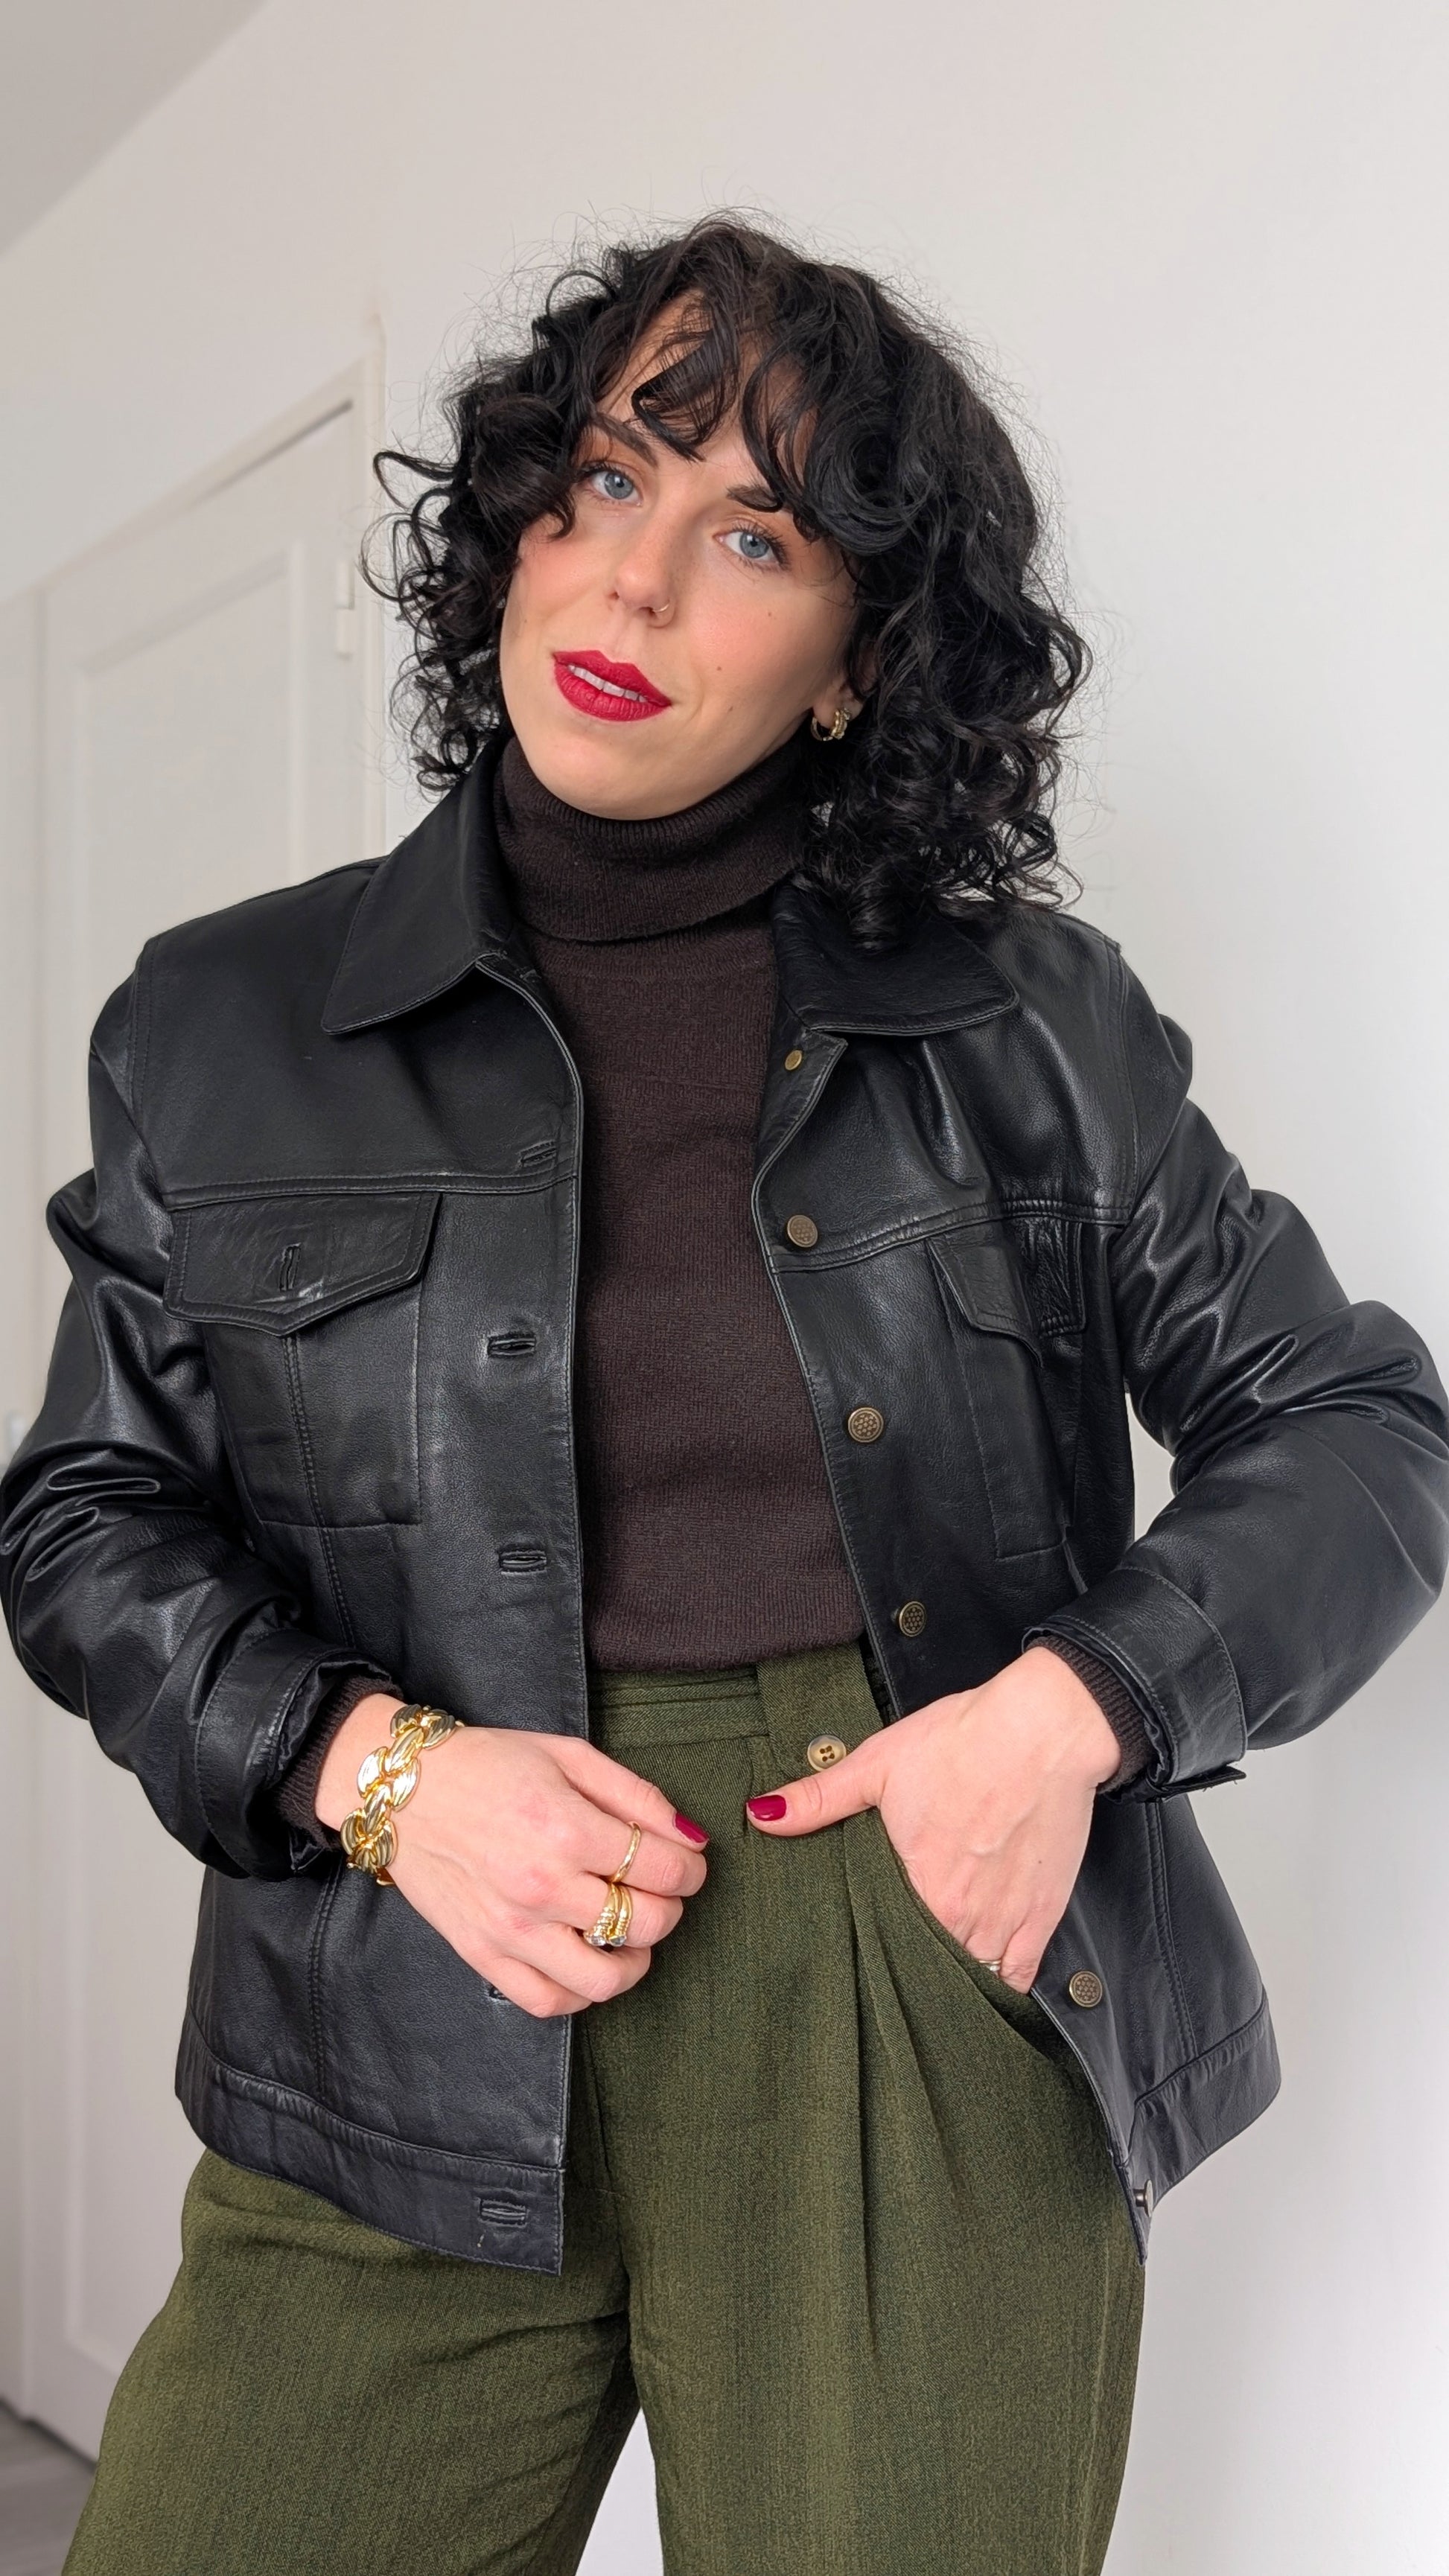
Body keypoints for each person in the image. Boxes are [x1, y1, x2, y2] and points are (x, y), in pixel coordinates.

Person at [3, 214, 1445, 2576]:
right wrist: (377, 1772)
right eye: (603, 478)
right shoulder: (221, 1023)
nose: (633, 580)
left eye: (751, 536)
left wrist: (1065, 1714)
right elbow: (86, 1516)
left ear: (861, 661)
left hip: (899, 1949)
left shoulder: (1024, 1024)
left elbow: (1357, 1427)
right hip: (403, 1965)